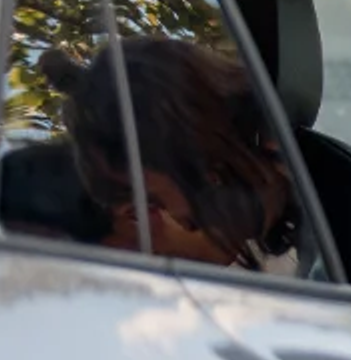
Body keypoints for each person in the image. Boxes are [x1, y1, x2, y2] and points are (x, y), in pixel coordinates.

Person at [44, 36, 303, 272]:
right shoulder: (294, 244)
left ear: (202, 160)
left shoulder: (331, 209)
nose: (178, 219)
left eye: (154, 201)